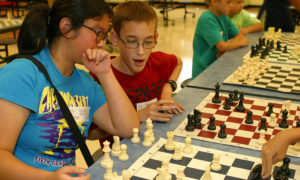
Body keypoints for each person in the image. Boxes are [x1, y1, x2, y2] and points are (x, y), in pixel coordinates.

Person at [0, 0, 140, 179]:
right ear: (66, 27)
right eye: (98, 33)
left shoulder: (85, 82)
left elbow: (129, 129)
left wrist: (105, 74)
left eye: (103, 36)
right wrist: (48, 177)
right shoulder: (23, 74)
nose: (101, 44)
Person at [89, 1, 184, 124]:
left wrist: (167, 88)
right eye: (132, 41)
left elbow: (178, 62)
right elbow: (91, 134)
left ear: (155, 38)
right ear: (115, 39)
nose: (141, 52)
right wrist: (136, 116)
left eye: (148, 42)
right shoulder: (100, 75)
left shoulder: (158, 61)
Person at [192, 0, 249, 79]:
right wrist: (227, 46)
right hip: (204, 72)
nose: (231, 5)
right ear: (214, 2)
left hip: (218, 65)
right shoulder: (206, 19)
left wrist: (225, 47)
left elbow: (239, 36)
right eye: (228, 2)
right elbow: (222, 46)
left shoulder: (223, 17)